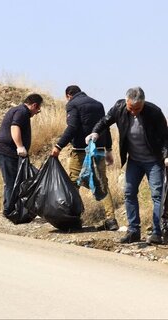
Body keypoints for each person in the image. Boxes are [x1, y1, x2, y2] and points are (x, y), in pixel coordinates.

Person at [86, 87, 168, 244]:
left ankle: (157, 232)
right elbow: (104, 121)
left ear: (143, 103)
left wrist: (166, 157)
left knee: (158, 195)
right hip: (134, 160)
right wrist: (95, 133)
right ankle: (133, 231)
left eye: (138, 108)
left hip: (153, 160)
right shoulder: (119, 108)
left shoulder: (154, 112)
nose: (134, 112)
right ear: (126, 102)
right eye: (131, 108)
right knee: (129, 192)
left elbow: (166, 136)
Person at [50, 85, 119, 231]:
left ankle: (72, 218)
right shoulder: (98, 104)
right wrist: (108, 149)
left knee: (73, 183)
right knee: (102, 183)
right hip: (98, 150)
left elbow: (72, 127)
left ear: (68, 95)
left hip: (81, 150)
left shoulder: (72, 104)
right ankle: (111, 220)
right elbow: (104, 126)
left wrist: (58, 146)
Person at [0, 93, 43, 217]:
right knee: (11, 181)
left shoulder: (19, 110)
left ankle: (12, 208)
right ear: (34, 105)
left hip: (8, 152)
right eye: (38, 110)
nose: (36, 113)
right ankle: (8, 211)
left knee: (15, 180)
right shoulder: (22, 112)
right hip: (5, 151)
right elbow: (15, 127)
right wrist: (20, 146)